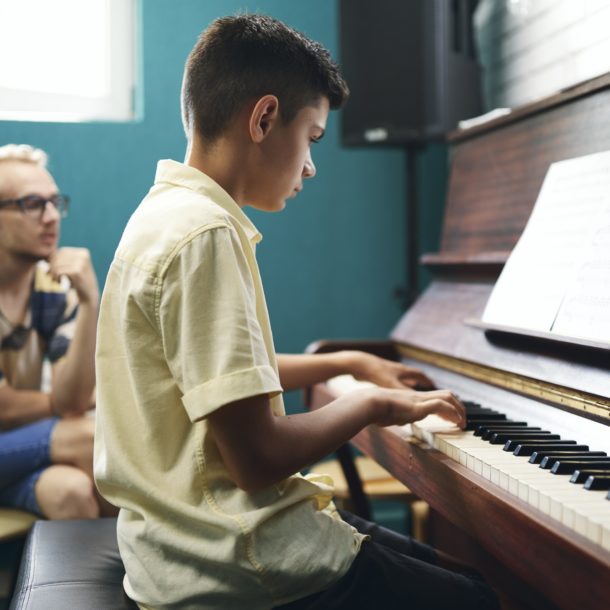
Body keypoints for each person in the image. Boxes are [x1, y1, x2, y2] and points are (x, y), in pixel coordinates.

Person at [94, 14, 499, 610]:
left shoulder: (164, 214)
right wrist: (371, 404)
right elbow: (257, 461)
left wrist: (354, 363)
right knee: (477, 599)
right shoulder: (206, 234)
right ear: (262, 119)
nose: (311, 166)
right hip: (229, 557)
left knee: (447, 572)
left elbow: (216, 383)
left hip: (175, 545)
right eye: (310, 137)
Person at [0, 143, 109, 519]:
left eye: (54, 202)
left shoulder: (52, 288)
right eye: (32, 204)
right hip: (22, 443)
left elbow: (73, 399)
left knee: (73, 493)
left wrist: (90, 301)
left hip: (18, 452)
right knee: (93, 437)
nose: (50, 217)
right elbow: (4, 407)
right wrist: (61, 405)